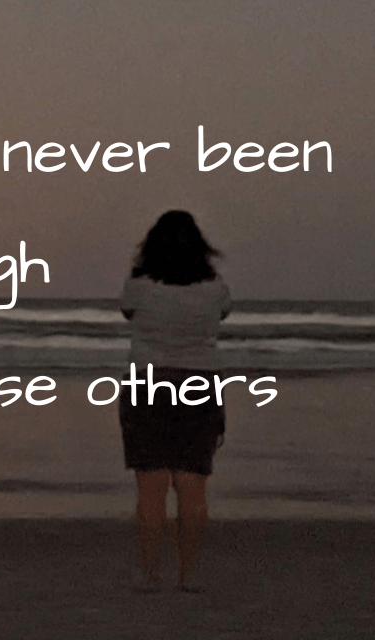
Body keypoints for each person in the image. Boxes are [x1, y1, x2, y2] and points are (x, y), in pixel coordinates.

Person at [118, 210, 230, 593]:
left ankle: (150, 574)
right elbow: (222, 316)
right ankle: (187, 575)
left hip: (146, 382)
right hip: (199, 382)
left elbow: (128, 313)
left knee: (150, 488)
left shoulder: (139, 285)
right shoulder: (215, 287)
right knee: (192, 486)